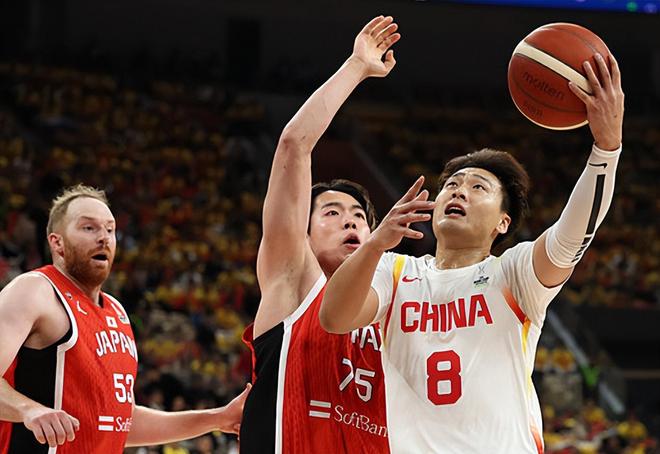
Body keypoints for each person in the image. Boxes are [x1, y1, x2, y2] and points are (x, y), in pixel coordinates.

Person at [320, 52, 624, 453]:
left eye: (478, 187)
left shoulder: (514, 274)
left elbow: (571, 237)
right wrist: (375, 243)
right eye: (452, 185)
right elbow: (335, 318)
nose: (459, 191)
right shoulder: (394, 271)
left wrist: (606, 149)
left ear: (503, 222)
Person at [239, 16, 400, 454]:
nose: (351, 222)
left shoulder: (392, 307)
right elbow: (294, 144)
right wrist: (357, 66)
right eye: (332, 212)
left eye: (359, 216)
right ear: (303, 235)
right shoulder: (293, 277)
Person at [0, 185, 250, 453]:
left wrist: (218, 418)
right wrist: (29, 410)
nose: (103, 238)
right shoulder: (35, 290)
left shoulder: (117, 312)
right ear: (56, 242)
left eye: (110, 230)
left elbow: (121, 423)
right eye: (89, 228)